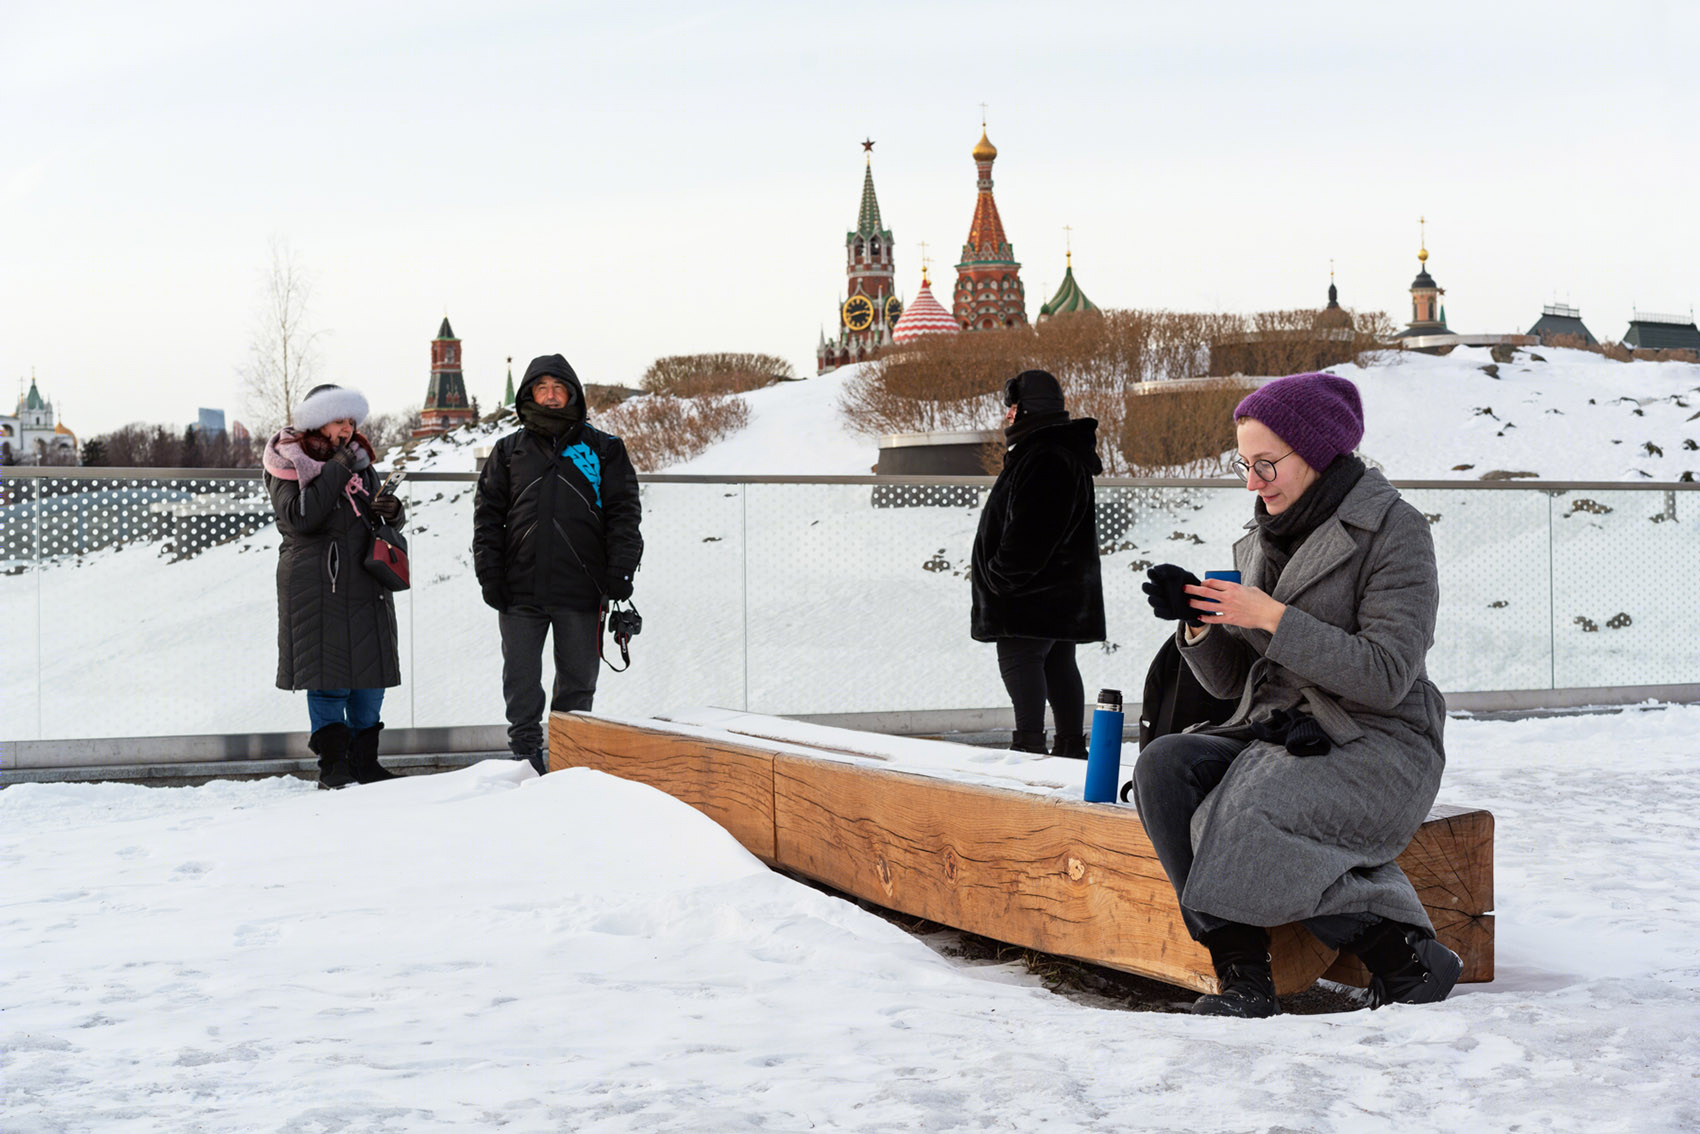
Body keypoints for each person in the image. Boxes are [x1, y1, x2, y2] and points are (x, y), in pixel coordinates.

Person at [1131, 371, 1462, 1017]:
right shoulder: (1263, 537)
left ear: (1313, 452)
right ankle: (1243, 977)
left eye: (1265, 464)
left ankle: (1403, 955)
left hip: (1378, 737)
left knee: (1249, 806)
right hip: (1279, 729)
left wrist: (1271, 618)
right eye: (1243, 464)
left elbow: (1389, 673)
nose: (1252, 482)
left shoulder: (1395, 531)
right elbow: (1236, 684)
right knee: (1163, 768)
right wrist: (1198, 620)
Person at [473, 354, 643, 773]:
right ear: (529, 394)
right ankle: (525, 757)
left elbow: (625, 513)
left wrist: (621, 570)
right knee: (521, 680)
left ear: (572, 393)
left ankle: (570, 759)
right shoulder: (507, 451)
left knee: (578, 682)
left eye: (558, 388)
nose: (550, 396)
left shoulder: (604, 449)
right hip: (518, 589)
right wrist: (489, 573)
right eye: (541, 388)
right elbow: (488, 518)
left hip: (582, 589)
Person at [263, 383, 406, 789]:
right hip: (316, 584)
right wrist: (338, 468)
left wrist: (392, 511)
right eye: (340, 420)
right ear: (317, 421)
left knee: (370, 678)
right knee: (329, 679)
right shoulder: (286, 461)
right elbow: (300, 518)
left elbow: (376, 515)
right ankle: (334, 766)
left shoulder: (358, 461)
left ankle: (365, 762)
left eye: (351, 421)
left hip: (364, 578)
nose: (347, 429)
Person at [970, 369, 1106, 757]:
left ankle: (1028, 749)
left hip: (1030, 593)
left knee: (1021, 659)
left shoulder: (1044, 455)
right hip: (1055, 590)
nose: (1006, 416)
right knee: (1058, 663)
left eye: (1011, 407)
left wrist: (1000, 576)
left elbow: (1033, 529)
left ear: (1027, 410)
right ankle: (1068, 749)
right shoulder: (1054, 450)